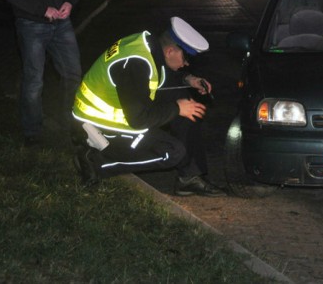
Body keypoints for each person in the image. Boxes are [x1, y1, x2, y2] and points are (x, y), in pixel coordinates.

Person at [72, 17, 225, 197]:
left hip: (121, 111)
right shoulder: (135, 64)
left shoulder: (147, 46)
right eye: (186, 58)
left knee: (188, 104)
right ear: (170, 51)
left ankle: (189, 179)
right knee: (174, 151)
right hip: (99, 125)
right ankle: (96, 163)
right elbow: (138, 119)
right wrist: (176, 109)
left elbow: (158, 76)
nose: (186, 64)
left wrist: (188, 79)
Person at [0, 0, 82, 146]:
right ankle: (32, 131)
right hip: (31, 23)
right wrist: (40, 8)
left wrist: (70, 0)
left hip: (62, 22)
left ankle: (72, 124)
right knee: (34, 79)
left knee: (73, 73)